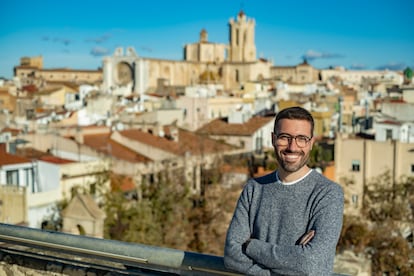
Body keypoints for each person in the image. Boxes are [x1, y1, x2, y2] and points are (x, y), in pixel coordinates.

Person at [223, 106, 344, 275]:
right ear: (273, 139)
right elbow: (231, 255)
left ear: (311, 143)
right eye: (284, 137)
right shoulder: (254, 189)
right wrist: (289, 264)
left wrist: (251, 245)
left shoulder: (328, 194)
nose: (292, 147)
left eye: (301, 139)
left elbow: (311, 263)